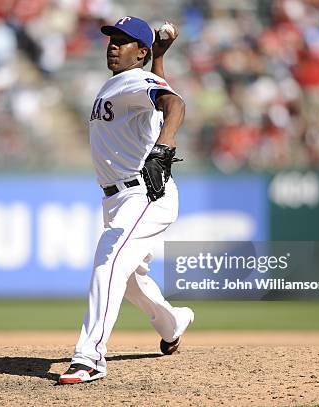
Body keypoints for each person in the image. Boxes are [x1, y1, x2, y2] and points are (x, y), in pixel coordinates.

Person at [58, 16, 194, 384]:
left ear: (141, 53)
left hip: (146, 192)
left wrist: (166, 146)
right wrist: (159, 60)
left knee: (109, 259)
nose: (114, 45)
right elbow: (156, 92)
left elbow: (173, 104)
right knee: (132, 280)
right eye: (112, 39)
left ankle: (89, 357)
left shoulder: (134, 80)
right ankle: (173, 323)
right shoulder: (124, 83)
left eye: (124, 40)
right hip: (118, 199)